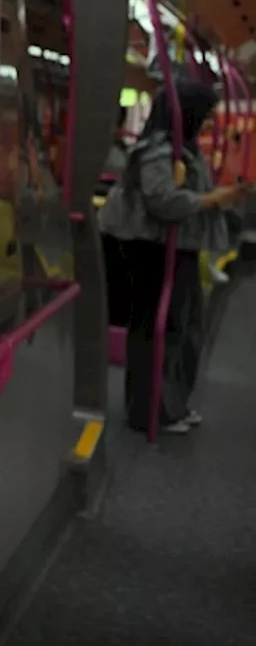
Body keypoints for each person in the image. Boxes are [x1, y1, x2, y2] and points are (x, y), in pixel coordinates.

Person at [98, 82, 246, 434]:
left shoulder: (183, 149)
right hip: (152, 248)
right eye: (206, 113)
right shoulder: (159, 151)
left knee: (182, 326)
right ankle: (150, 411)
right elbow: (163, 201)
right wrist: (215, 199)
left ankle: (171, 404)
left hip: (173, 246)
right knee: (159, 329)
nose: (210, 120)